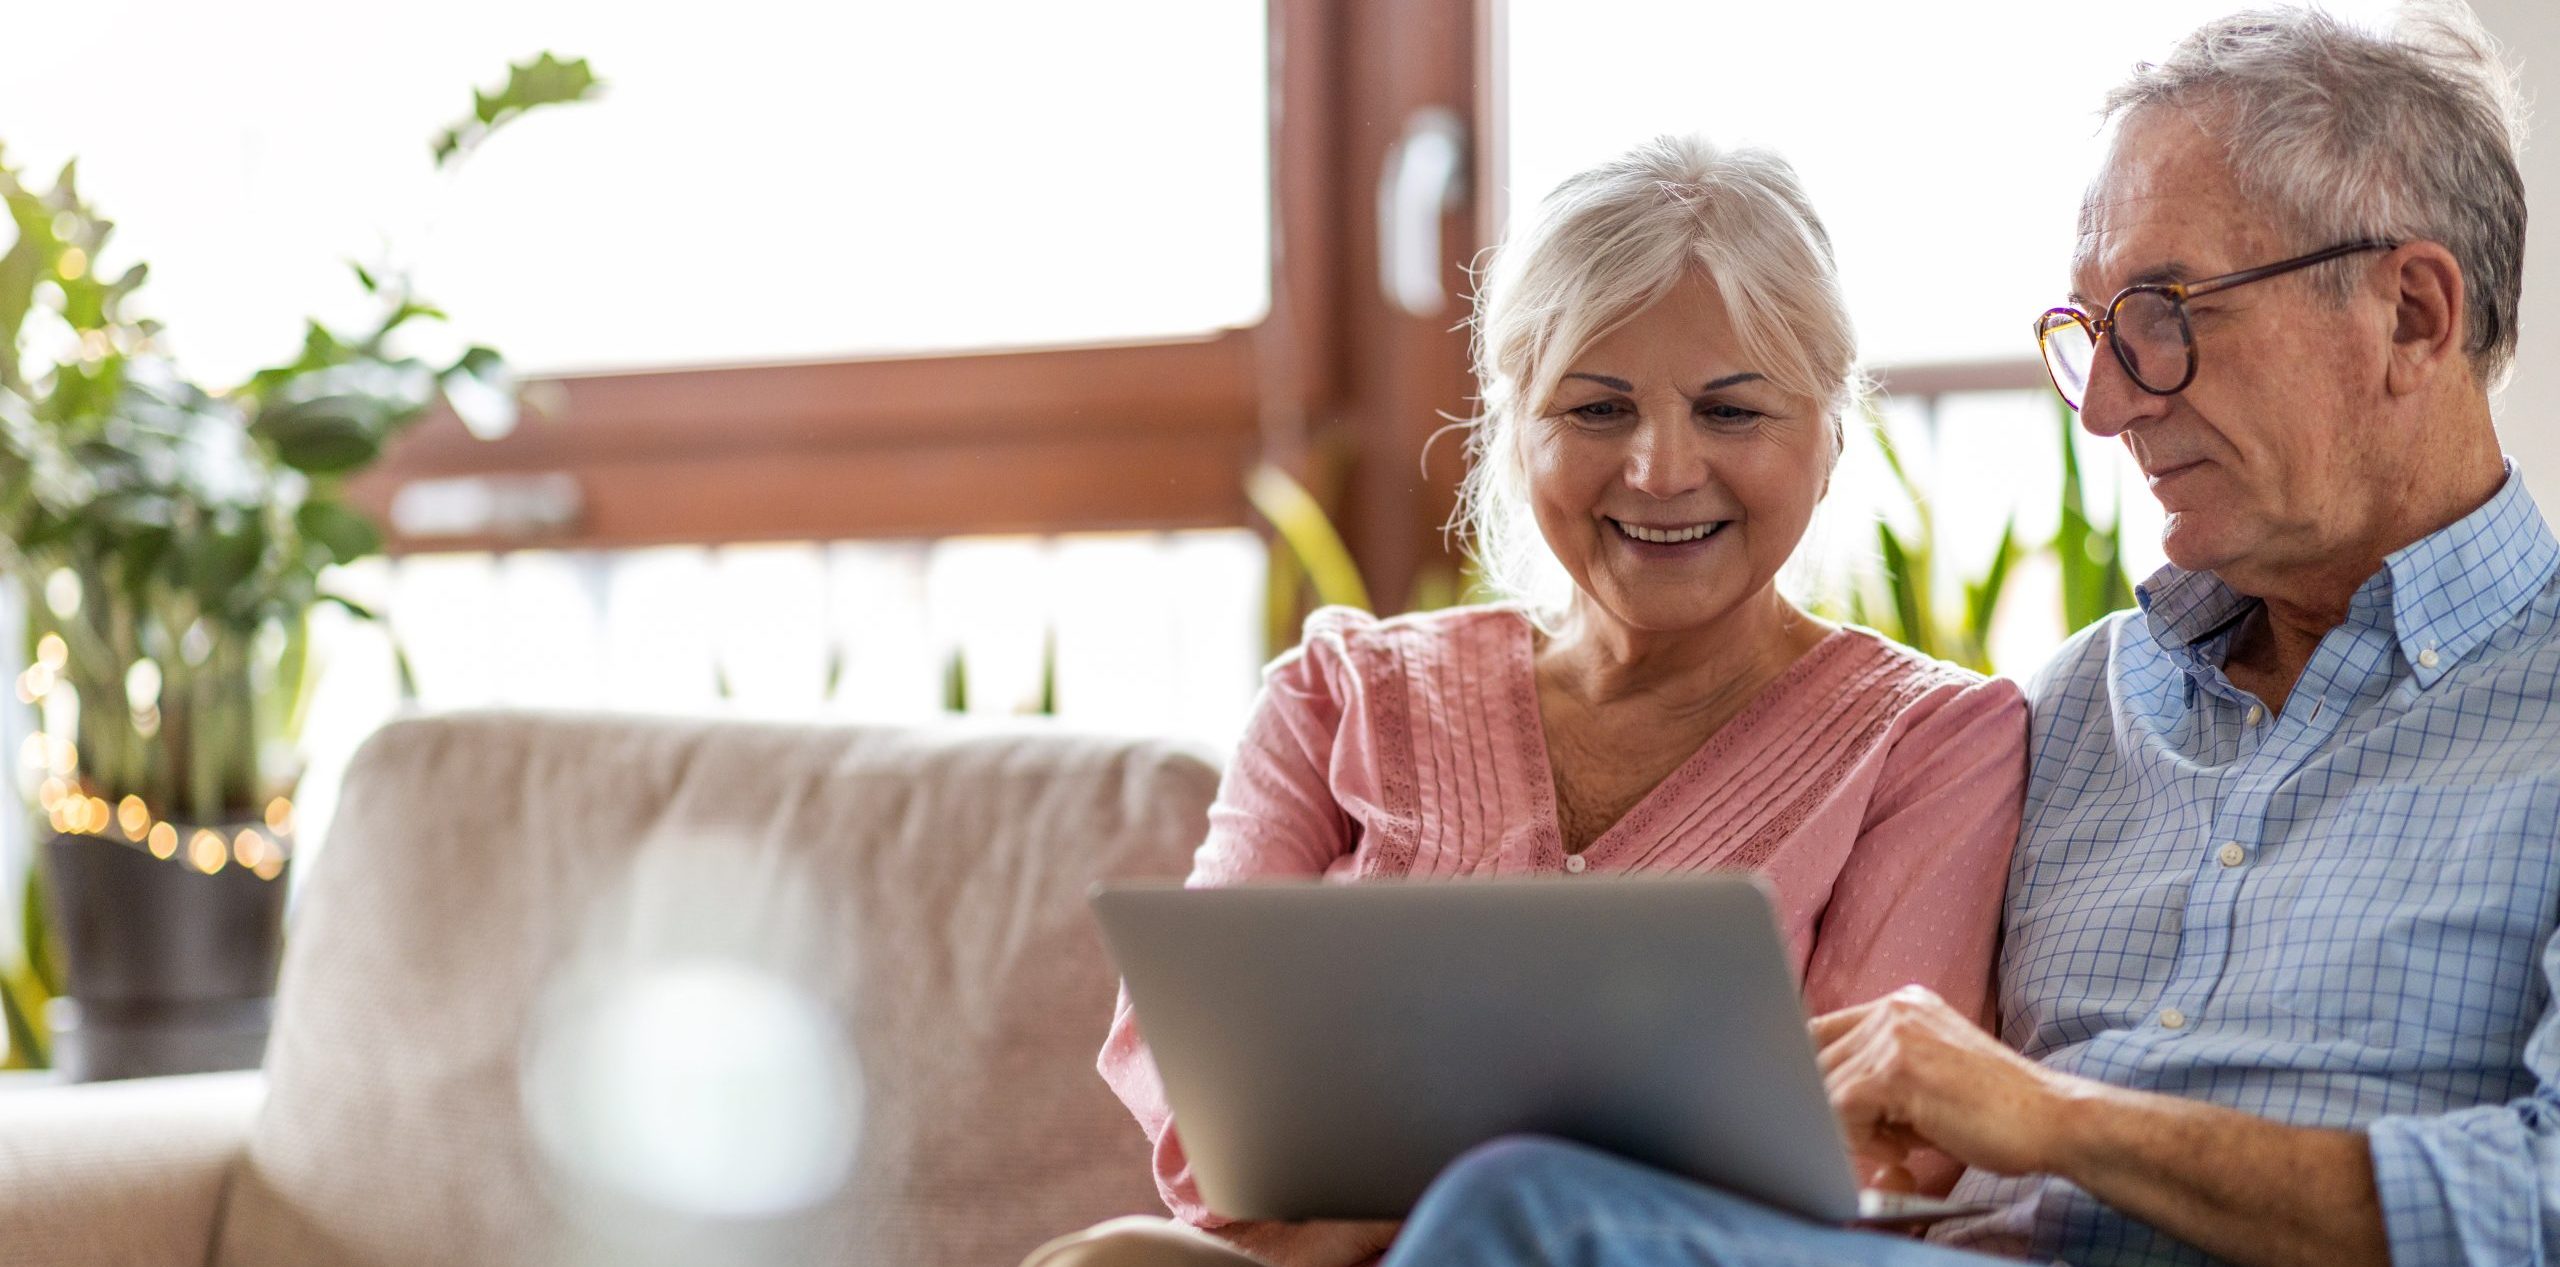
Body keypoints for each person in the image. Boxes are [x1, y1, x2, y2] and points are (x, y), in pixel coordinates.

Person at [1373, 6, 2555, 1266]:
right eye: (2089, 334)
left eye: (2159, 315)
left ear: (2414, 315)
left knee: (1528, 1217)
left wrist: (2056, 1120)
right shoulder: (2072, 708)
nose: (2103, 406)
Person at [1022, 136, 2029, 1267]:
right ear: (1516, 432)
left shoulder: (1932, 739)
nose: (1658, 468)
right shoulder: (1336, 692)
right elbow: (1201, 1081)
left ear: (1831, 435)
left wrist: (1403, 1206)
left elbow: (1870, 1148)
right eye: (1595, 411)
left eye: (1732, 413)